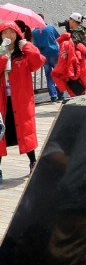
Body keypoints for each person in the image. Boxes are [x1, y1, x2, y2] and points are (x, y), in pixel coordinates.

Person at [0, 21, 45, 177]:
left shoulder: (23, 53)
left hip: (21, 99)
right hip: (2, 101)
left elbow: (38, 62)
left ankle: (33, 161)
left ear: (17, 34)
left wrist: (27, 46)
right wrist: (3, 56)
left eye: (11, 32)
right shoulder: (0, 52)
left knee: (26, 131)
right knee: (0, 134)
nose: (8, 35)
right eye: (4, 32)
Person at [31, 14, 64, 103]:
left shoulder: (34, 32)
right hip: (54, 54)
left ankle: (53, 96)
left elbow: (35, 46)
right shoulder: (50, 27)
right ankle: (61, 95)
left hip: (44, 56)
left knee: (49, 76)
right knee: (58, 74)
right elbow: (59, 38)